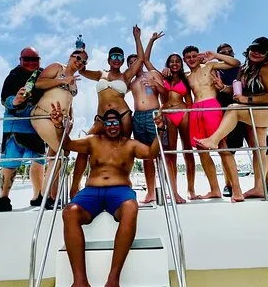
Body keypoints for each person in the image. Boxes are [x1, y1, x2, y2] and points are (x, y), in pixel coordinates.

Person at [48, 102, 165, 287]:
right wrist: (59, 127)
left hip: (120, 192)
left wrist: (160, 130)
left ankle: (113, 281)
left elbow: (151, 153)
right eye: (108, 123)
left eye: (115, 123)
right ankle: (80, 284)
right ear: (103, 125)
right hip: (91, 192)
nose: (112, 126)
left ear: (120, 125)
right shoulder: (93, 141)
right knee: (69, 212)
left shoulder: (130, 144)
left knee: (131, 207)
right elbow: (68, 145)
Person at [195, 37, 268, 198]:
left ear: (267, 54)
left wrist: (246, 100)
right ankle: (256, 187)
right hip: (244, 112)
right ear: (248, 50)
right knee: (258, 148)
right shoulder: (243, 69)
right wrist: (223, 87)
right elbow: (237, 89)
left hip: (260, 110)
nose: (257, 53)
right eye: (254, 49)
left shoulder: (265, 69)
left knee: (259, 144)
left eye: (262, 51)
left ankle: (213, 140)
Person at [74, 26, 145, 192]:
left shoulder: (126, 75)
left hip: (123, 116)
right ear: (108, 59)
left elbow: (141, 58)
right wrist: (80, 51)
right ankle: (75, 185)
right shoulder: (101, 74)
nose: (116, 59)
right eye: (113, 56)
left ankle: (123, 180)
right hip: (101, 118)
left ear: (122, 60)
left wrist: (137, 38)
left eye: (120, 57)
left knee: (124, 149)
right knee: (84, 148)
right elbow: (81, 70)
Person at [183, 46, 245, 202]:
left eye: (194, 56)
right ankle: (215, 190)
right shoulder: (186, 76)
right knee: (201, 151)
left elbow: (235, 63)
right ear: (184, 60)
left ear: (199, 56)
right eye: (188, 57)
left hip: (211, 106)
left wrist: (215, 55)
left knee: (222, 147)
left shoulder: (209, 66)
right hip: (196, 110)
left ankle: (237, 190)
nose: (191, 59)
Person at [30, 49, 88, 209]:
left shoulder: (74, 81)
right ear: (71, 56)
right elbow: (39, 83)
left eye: (84, 62)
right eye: (78, 58)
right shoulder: (58, 67)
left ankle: (49, 195)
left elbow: (69, 101)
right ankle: (44, 195)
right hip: (42, 115)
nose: (80, 62)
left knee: (57, 154)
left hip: (60, 122)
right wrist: (63, 80)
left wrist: (71, 119)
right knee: (62, 153)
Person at [144, 37, 196, 201]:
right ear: (168, 64)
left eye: (177, 61)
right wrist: (152, 40)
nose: (175, 64)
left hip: (183, 114)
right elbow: (146, 61)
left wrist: (190, 115)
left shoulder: (185, 79)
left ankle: (191, 190)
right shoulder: (161, 77)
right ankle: (174, 192)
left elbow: (189, 101)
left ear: (181, 64)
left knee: (188, 151)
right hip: (167, 115)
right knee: (170, 153)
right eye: (172, 61)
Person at [128, 32, 177, 203]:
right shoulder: (131, 82)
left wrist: (155, 84)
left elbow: (166, 94)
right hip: (138, 117)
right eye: (130, 63)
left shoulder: (152, 74)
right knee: (146, 156)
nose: (134, 64)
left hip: (154, 114)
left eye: (136, 61)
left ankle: (172, 191)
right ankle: (150, 193)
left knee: (162, 154)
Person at [0, 47, 46, 212]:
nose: (31, 62)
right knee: (11, 162)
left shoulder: (43, 75)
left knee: (38, 160)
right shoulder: (13, 76)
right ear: (20, 60)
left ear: (39, 60)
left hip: (37, 126)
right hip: (15, 126)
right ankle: (3, 197)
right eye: (27, 59)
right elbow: (4, 99)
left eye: (35, 59)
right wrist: (15, 101)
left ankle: (38, 195)